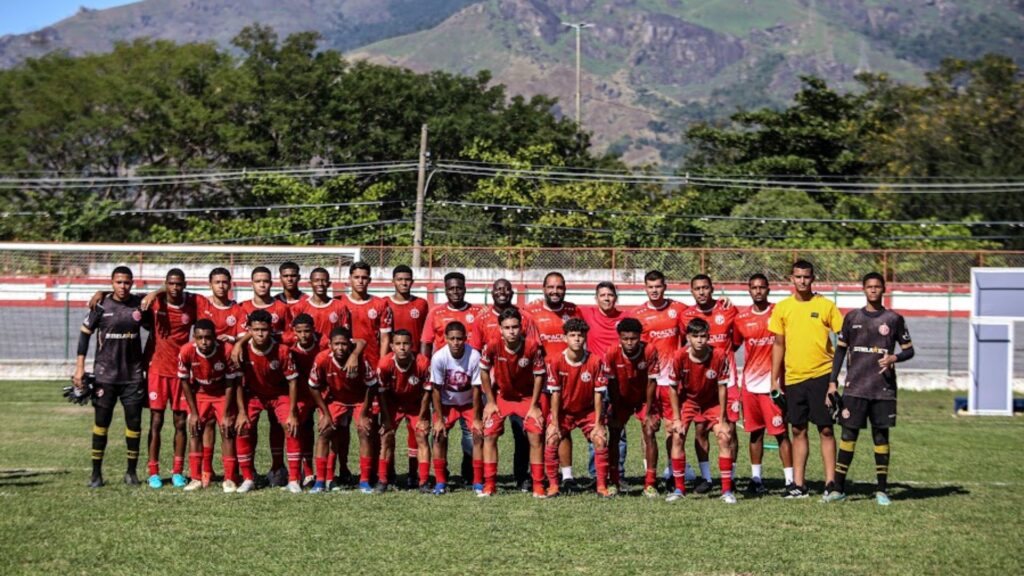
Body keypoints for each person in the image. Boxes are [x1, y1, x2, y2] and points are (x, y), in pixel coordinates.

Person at [824, 272, 914, 506]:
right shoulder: (852, 317)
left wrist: (895, 357)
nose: (873, 290)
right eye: (869, 287)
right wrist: (833, 381)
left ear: (883, 289)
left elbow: (909, 350)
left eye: (877, 287)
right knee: (847, 436)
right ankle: (838, 489)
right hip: (854, 388)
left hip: (882, 389)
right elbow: (840, 352)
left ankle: (882, 490)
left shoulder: (894, 319)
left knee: (881, 436)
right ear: (863, 289)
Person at [769, 260, 844, 499]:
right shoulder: (782, 308)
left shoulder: (826, 306)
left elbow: (843, 339)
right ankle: (799, 485)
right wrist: (774, 379)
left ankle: (831, 482)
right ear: (791, 278)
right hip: (793, 378)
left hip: (821, 376)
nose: (802, 281)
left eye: (806, 277)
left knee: (825, 430)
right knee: (798, 429)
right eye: (798, 276)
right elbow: (778, 345)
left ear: (813, 279)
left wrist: (835, 379)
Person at [74, 266, 147, 488]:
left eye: (127, 282)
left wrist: (154, 293)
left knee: (134, 424)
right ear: (112, 283)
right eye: (118, 282)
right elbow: (84, 335)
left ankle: (131, 473)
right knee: (101, 424)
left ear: (132, 283)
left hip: (132, 376)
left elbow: (167, 294)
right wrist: (79, 368)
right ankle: (96, 474)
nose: (123, 286)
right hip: (105, 375)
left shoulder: (140, 305)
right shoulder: (100, 305)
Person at [471, 278, 537, 491]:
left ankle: (522, 477)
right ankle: (486, 480)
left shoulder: (525, 317)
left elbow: (534, 351)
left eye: (507, 289)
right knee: (488, 433)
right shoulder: (482, 318)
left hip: (522, 389)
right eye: (498, 289)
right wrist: (488, 393)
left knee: (524, 434)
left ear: (512, 292)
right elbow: (476, 353)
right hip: (495, 388)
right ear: (492, 292)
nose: (503, 292)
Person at [732, 274, 793, 496]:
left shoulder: (780, 312)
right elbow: (732, 346)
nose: (758, 291)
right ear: (749, 291)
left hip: (773, 385)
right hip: (750, 386)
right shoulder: (741, 319)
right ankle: (756, 479)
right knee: (755, 433)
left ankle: (790, 482)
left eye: (762, 287)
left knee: (780, 433)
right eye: (753, 288)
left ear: (768, 289)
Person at [664, 318, 735, 504]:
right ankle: (679, 488)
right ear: (688, 337)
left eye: (703, 336)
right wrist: (677, 419)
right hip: (689, 402)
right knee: (677, 436)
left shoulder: (719, 356)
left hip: (712, 403)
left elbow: (722, 388)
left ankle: (727, 491)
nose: (699, 340)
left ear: (708, 337)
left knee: (724, 436)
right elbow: (672, 388)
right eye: (695, 336)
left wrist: (722, 419)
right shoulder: (679, 356)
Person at [421, 272, 482, 485]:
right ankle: (441, 475)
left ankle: (470, 472)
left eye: (459, 287)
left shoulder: (478, 312)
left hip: (469, 383)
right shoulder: (435, 313)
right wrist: (424, 369)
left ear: (465, 288)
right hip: (444, 385)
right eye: (451, 288)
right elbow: (426, 343)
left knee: (471, 435)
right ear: (445, 289)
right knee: (438, 434)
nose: (455, 291)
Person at [479, 308, 547, 498]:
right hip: (502, 398)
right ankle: (490, 484)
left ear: (521, 327)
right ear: (500, 329)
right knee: (489, 433)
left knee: (535, 434)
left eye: (515, 327)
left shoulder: (532, 346)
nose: (511, 331)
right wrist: (490, 401)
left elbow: (539, 376)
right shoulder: (493, 345)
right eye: (507, 327)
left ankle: (538, 485)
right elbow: (484, 371)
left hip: (526, 399)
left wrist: (534, 406)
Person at [680, 274, 738, 494]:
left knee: (729, 429)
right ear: (692, 291)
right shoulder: (686, 315)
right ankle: (706, 478)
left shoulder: (728, 310)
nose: (702, 292)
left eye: (705, 287)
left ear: (712, 289)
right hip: (700, 383)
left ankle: (729, 477)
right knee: (701, 428)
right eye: (697, 288)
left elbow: (738, 339)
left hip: (727, 380)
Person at [141, 268, 198, 489]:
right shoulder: (155, 303)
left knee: (180, 422)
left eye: (179, 284)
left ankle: (177, 471)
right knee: (156, 421)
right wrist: (100, 292)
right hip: (157, 370)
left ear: (184, 284)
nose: (175, 288)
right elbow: (120, 293)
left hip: (181, 372)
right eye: (171, 284)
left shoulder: (192, 304)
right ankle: (153, 472)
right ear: (165, 284)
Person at [526, 272, 583, 488]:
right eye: (551, 287)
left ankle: (567, 476)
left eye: (559, 287)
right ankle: (540, 476)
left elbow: (581, 342)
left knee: (563, 428)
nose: (555, 291)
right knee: (540, 430)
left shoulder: (573, 311)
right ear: (543, 288)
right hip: (542, 382)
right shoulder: (531, 311)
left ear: (565, 289)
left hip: (568, 381)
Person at [233, 309, 300, 494]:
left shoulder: (282, 350)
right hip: (254, 395)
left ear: (270, 329)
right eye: (256, 330)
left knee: (291, 426)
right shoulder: (243, 351)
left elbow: (292, 381)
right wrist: (241, 412)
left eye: (264, 329)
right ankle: (248, 478)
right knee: (243, 427)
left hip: (279, 395)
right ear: (249, 330)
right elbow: (238, 382)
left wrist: (293, 413)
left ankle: (293, 479)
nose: (260, 334)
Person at [307, 327, 380, 494]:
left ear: (350, 344)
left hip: (360, 400)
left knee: (364, 430)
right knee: (325, 432)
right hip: (336, 400)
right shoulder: (322, 359)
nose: (340, 348)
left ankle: (364, 481)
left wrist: (363, 413)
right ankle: (320, 481)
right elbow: (313, 387)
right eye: (336, 344)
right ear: (330, 345)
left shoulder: (361, 359)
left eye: (344, 344)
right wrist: (325, 414)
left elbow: (372, 386)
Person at [544, 318, 612, 497]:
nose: (576, 339)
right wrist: (555, 422)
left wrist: (598, 424)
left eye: (580, 336)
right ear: (565, 338)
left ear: (585, 338)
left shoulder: (596, 361)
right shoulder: (555, 361)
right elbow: (555, 394)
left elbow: (599, 395)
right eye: (572, 335)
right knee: (552, 438)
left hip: (587, 411)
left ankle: (601, 486)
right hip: (564, 411)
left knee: (600, 439)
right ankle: (553, 486)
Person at [177, 319, 239, 492]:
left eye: (208, 337)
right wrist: (194, 413)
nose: (204, 342)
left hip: (221, 393)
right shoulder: (186, 351)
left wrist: (226, 413)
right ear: (194, 338)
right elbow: (184, 383)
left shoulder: (226, 350)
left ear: (215, 337)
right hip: (201, 394)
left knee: (227, 431)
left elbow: (230, 383)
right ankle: (196, 478)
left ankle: (229, 478)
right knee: (195, 430)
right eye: (199, 338)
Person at [580, 281, 629, 485]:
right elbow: (557, 306)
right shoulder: (586, 313)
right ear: (596, 298)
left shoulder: (625, 318)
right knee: (596, 425)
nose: (607, 298)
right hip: (595, 382)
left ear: (615, 297)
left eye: (610, 295)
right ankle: (596, 474)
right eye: (602, 295)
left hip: (618, 381)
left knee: (619, 429)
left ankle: (618, 473)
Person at [602, 318, 658, 495]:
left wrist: (648, 412)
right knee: (615, 433)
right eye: (625, 338)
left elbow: (651, 382)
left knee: (649, 431)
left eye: (633, 338)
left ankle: (650, 483)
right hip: (621, 399)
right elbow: (611, 384)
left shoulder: (649, 350)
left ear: (639, 337)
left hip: (643, 399)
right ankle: (614, 481)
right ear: (619, 337)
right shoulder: (611, 353)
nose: (629, 342)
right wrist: (616, 409)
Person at [427, 321, 483, 494]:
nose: (456, 342)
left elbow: (476, 388)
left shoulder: (474, 356)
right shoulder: (439, 357)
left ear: (465, 339)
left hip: (468, 403)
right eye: (452, 339)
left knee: (478, 435)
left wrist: (476, 418)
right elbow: (435, 389)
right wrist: (437, 418)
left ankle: (478, 481)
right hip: (446, 403)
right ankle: (441, 481)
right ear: (445, 339)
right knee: (438, 436)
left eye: (459, 339)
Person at [386, 264, 430, 486]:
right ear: (393, 281)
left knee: (417, 432)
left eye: (407, 279)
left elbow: (424, 337)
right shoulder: (385, 304)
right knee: (387, 429)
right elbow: (383, 338)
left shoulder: (421, 304)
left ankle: (415, 474)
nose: (404, 283)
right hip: (392, 370)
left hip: (414, 368)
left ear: (412, 281)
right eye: (400, 279)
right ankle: (388, 474)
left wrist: (422, 364)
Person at [376, 329, 432, 493]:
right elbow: (382, 394)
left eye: (406, 343)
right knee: (386, 436)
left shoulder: (422, 363)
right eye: (398, 344)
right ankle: (383, 480)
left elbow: (427, 392)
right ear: (392, 346)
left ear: (411, 345)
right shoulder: (385, 364)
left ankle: (423, 481)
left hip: (416, 405)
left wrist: (422, 417)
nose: (402, 347)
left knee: (421, 435)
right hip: (392, 404)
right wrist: (386, 419)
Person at [283, 314, 321, 488]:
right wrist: (238, 343)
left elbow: (357, 342)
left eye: (308, 331)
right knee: (299, 428)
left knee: (326, 430)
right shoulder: (288, 344)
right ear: (294, 332)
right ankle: (302, 473)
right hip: (300, 395)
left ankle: (326, 475)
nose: (304, 335)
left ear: (313, 330)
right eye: (300, 332)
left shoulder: (324, 343)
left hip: (321, 393)